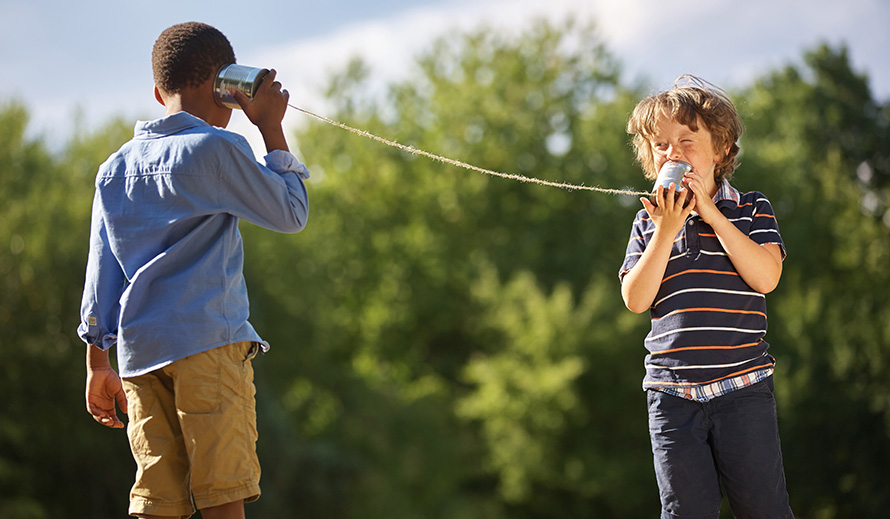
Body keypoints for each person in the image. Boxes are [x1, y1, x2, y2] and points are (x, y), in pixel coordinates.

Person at [78, 22, 310, 518]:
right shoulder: (217, 149)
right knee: (223, 493)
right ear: (228, 85)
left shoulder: (113, 169)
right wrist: (270, 126)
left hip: (139, 358)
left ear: (157, 92)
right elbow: (291, 213)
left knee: (156, 501)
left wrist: (98, 363)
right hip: (207, 343)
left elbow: (102, 271)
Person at [619, 75, 793, 518]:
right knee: (684, 511)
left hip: (743, 390)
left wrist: (712, 214)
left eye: (686, 140)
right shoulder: (648, 224)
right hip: (672, 395)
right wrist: (665, 232)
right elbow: (636, 299)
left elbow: (767, 276)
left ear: (721, 149)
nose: (672, 152)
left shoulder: (751, 208)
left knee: (763, 507)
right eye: (660, 145)